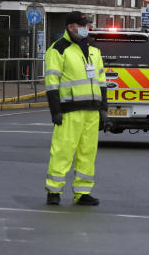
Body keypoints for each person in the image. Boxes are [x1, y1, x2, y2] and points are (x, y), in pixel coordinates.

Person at [44, 11, 107, 206]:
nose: (85, 28)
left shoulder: (93, 49)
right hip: (69, 110)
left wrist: (103, 109)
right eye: (82, 25)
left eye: (86, 25)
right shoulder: (58, 50)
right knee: (62, 151)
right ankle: (54, 191)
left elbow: (102, 81)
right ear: (70, 26)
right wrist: (55, 111)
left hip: (92, 110)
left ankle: (83, 192)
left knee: (88, 153)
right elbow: (51, 83)